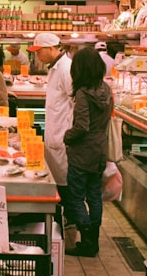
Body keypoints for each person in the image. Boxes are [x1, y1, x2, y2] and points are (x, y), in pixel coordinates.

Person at [63, 47, 113, 257]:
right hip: (100, 148)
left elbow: (82, 126)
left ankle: (87, 236)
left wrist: (67, 136)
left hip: (83, 151)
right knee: (94, 195)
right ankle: (94, 240)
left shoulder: (83, 93)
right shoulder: (106, 89)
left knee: (75, 196)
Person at [28, 32, 77, 248]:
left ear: (50, 49)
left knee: (66, 189)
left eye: (39, 51)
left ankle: (69, 234)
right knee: (57, 185)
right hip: (55, 135)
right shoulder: (55, 68)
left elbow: (75, 102)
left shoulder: (66, 69)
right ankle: (57, 228)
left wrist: (68, 133)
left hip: (62, 137)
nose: (37, 56)